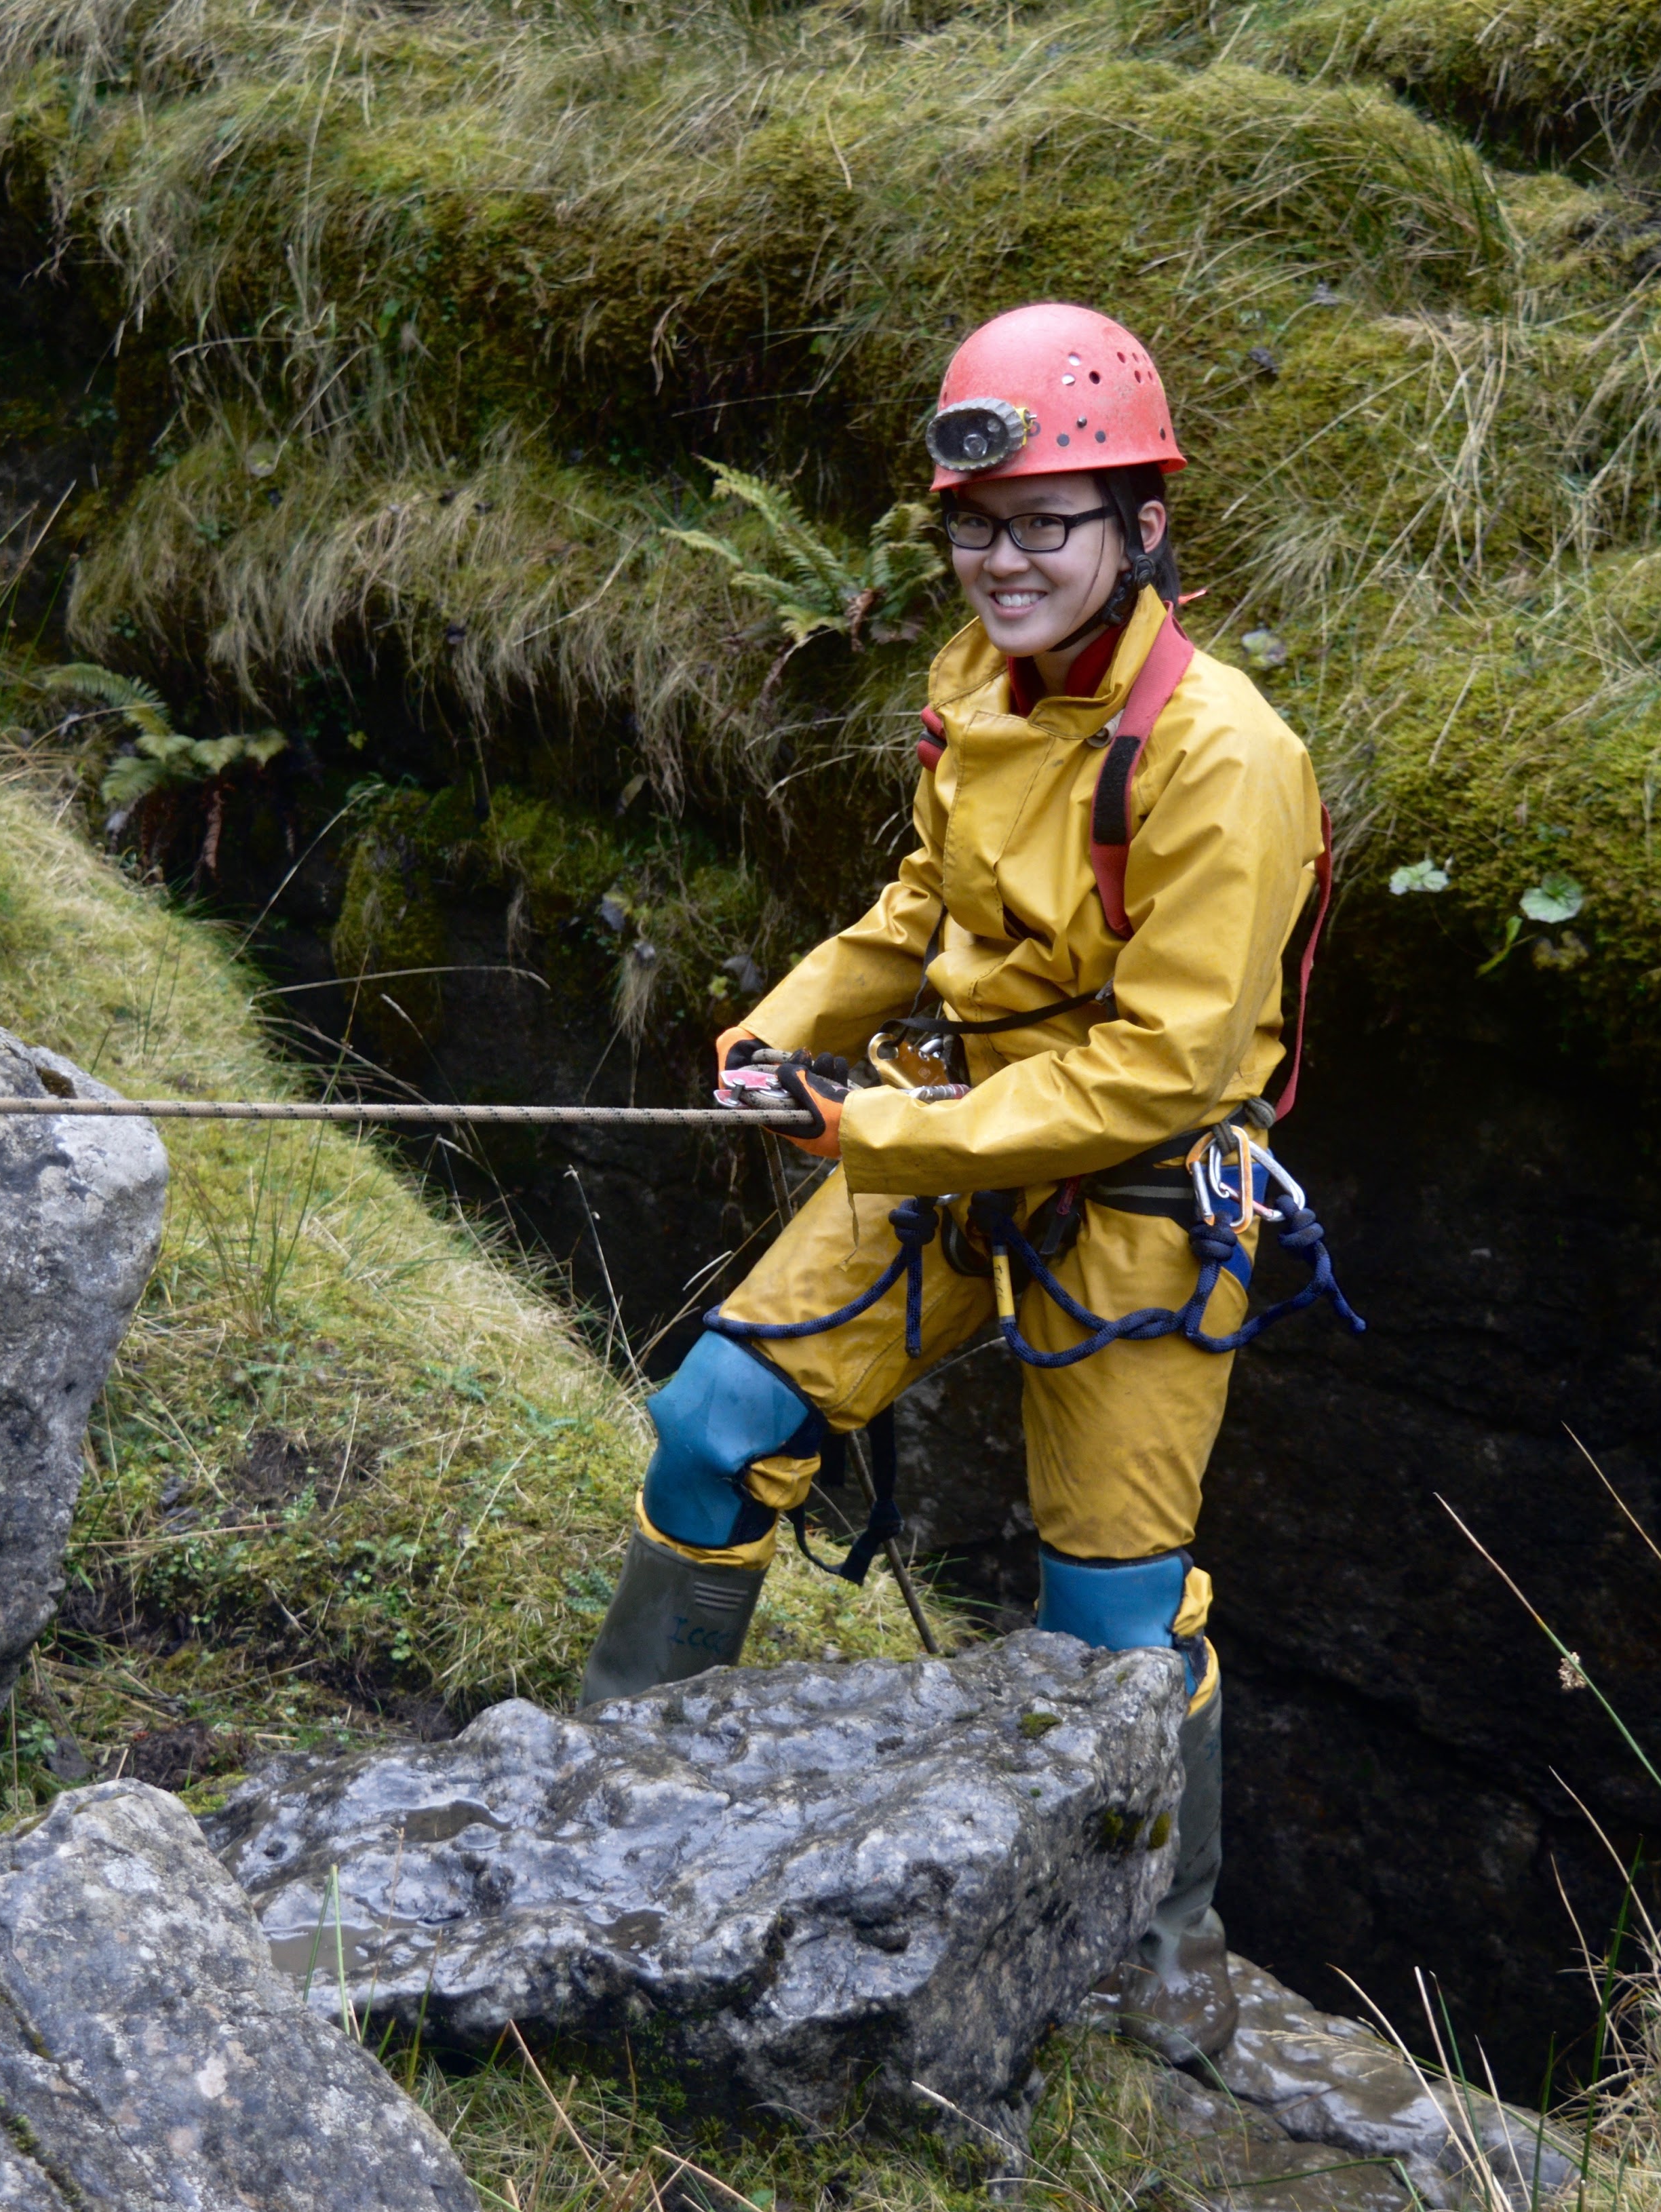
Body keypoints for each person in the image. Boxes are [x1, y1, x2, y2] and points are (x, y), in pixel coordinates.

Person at [574, 300, 1331, 2065]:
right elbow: (920, 911)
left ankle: (1163, 1946)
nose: (1003, 563)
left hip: (1137, 1202)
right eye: (974, 529)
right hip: (943, 1137)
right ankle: (606, 1789)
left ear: (1142, 526)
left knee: (1110, 1625)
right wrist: (782, 1032)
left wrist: (878, 1134)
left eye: (1045, 525)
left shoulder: (1226, 759)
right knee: (711, 1427)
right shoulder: (973, 687)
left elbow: (1156, 1069)